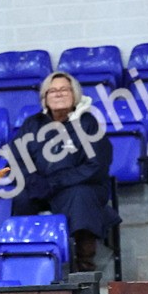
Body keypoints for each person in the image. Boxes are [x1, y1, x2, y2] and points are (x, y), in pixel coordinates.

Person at [11, 71, 121, 272]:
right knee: (21, 198)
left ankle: (84, 267)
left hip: (76, 186)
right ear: (45, 97)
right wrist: (33, 180)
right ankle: (28, 263)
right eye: (52, 90)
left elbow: (96, 164)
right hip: (40, 187)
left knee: (81, 196)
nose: (58, 94)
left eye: (64, 89)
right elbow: (18, 157)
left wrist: (55, 182)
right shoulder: (32, 124)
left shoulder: (88, 123)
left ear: (75, 95)